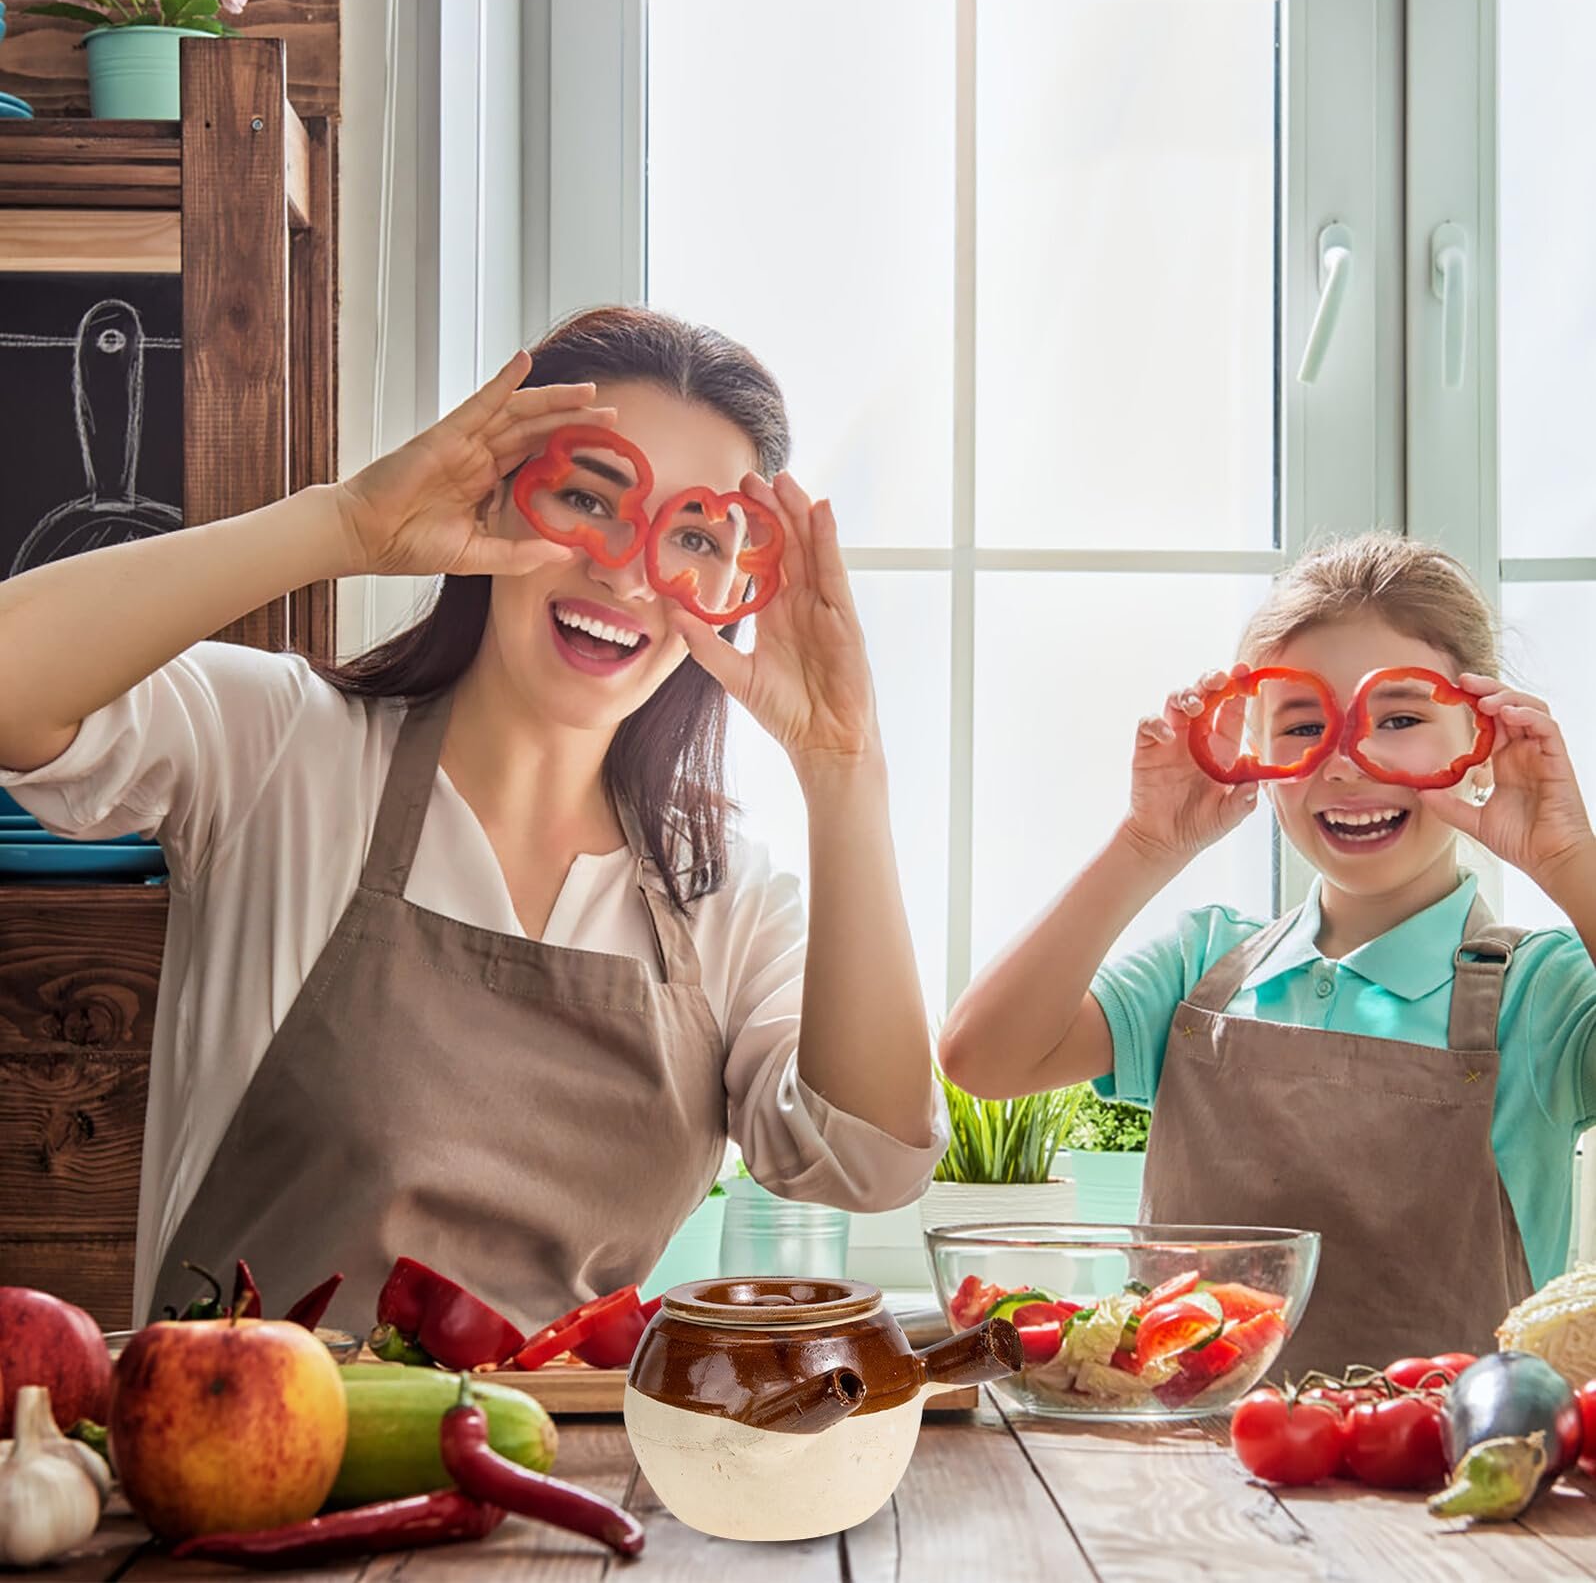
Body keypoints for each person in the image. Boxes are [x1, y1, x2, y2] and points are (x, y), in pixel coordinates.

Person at [0, 306, 946, 1331]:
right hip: (239, 1472)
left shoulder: (725, 898)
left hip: (569, 1477)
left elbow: (872, 1161)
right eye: (589, 497)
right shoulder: (280, 749)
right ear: (498, 496)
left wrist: (843, 768)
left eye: (693, 536)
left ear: (731, 589)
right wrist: (346, 525)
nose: (625, 574)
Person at [939, 533, 1596, 1369]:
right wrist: (1146, 842)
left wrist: (1568, 858)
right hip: (1186, 1483)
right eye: (1303, 725)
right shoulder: (1204, 967)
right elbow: (982, 1057)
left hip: (1437, 1483)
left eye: (1400, 719)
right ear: (1257, 756)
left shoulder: (1537, 989)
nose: (1350, 762)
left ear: (1478, 743)